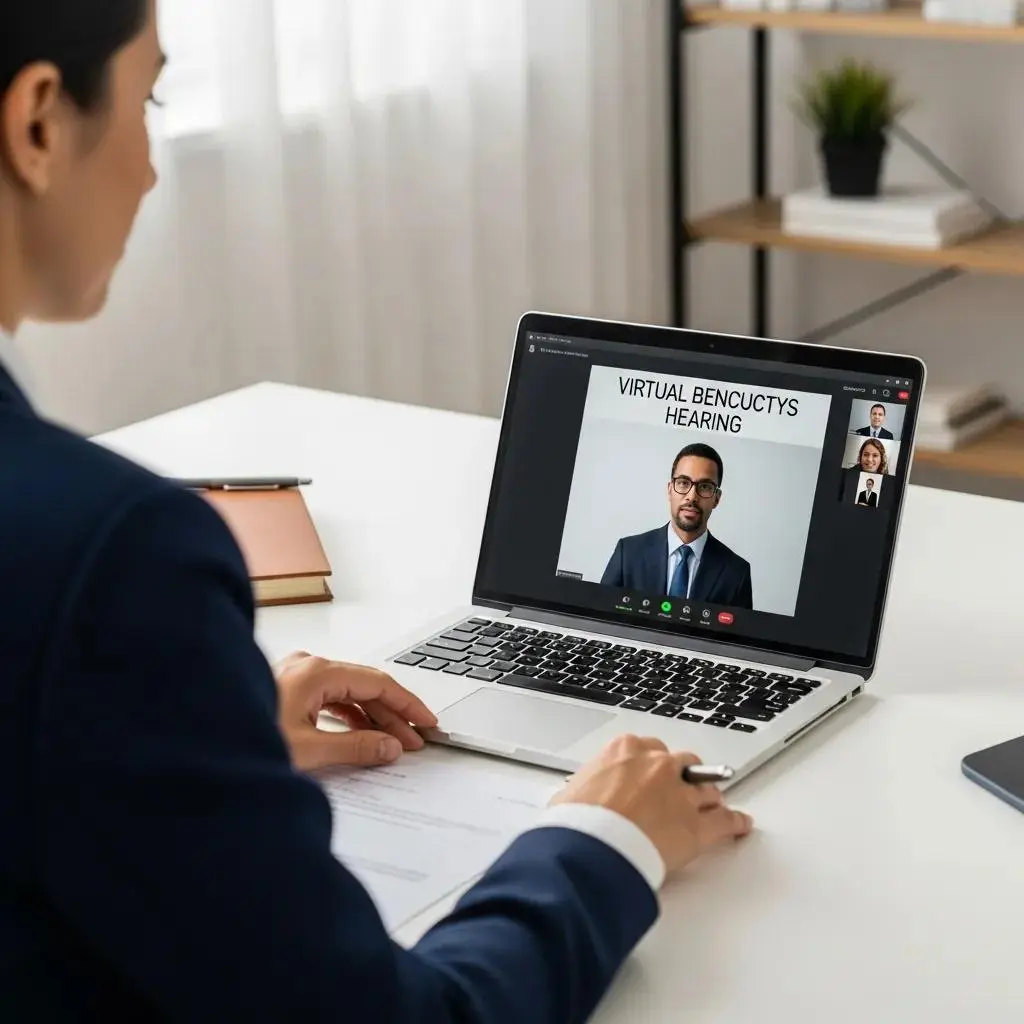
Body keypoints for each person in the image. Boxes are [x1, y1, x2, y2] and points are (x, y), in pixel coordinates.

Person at [0, 4, 754, 1022]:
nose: (148, 168)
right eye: (150, 98)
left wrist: (192, 745)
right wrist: (598, 840)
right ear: (40, 122)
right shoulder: (111, 556)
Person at [600, 443, 753, 610]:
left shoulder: (737, 573)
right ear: (670, 489)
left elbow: (737, 635)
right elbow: (599, 616)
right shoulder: (628, 553)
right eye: (683, 483)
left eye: (705, 487)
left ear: (716, 498)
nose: (692, 496)